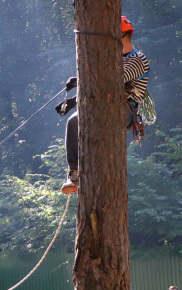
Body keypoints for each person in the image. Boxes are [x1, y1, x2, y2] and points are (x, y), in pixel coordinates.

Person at [58, 15, 150, 193]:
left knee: (91, 116)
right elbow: (100, 84)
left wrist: (80, 81)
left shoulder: (137, 59)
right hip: (102, 107)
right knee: (73, 121)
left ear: (121, 35)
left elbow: (111, 81)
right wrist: (76, 99)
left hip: (124, 111)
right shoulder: (114, 59)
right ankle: (74, 175)